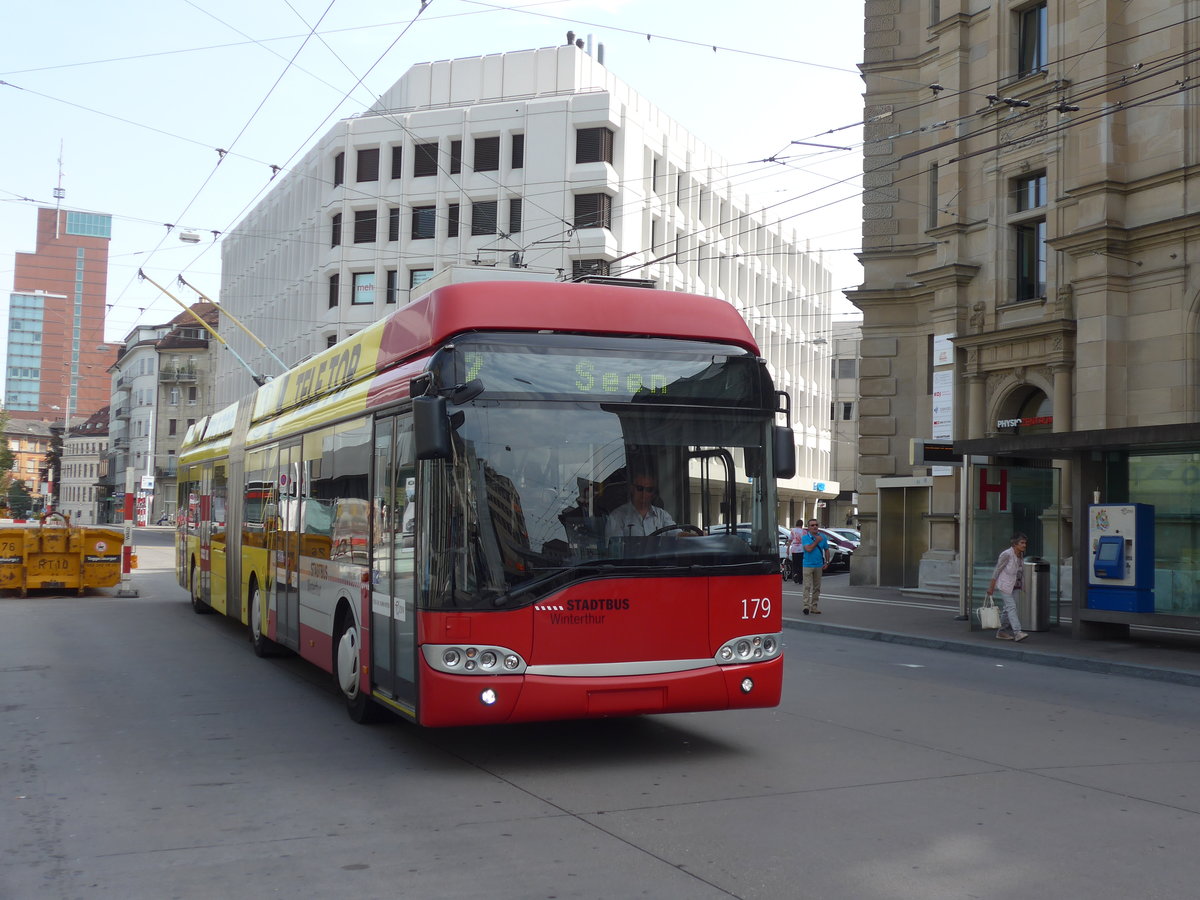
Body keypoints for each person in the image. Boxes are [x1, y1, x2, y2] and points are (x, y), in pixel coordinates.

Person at [605, 471, 676, 540]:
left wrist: (683, 536)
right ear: (632, 489)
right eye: (640, 488)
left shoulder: (662, 516)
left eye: (649, 489)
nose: (644, 493)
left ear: (653, 493)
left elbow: (676, 534)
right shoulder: (617, 517)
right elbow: (614, 548)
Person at [987, 532, 1029, 642]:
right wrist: (991, 587)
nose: (1024, 545)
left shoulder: (1020, 554)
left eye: (1025, 543)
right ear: (1015, 544)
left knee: (1007, 609)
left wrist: (1022, 585)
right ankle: (1017, 632)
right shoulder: (1006, 554)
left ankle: (1001, 632)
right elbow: (997, 571)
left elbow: (1019, 571)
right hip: (1004, 584)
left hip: (1014, 585)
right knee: (1011, 607)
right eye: (1022, 543)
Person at [799, 519, 831, 615]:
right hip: (807, 565)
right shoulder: (805, 538)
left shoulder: (823, 537)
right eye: (812, 525)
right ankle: (806, 606)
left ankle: (814, 606)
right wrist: (817, 541)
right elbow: (808, 549)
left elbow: (826, 550)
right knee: (807, 586)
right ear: (808, 527)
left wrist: (827, 562)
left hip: (818, 565)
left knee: (817, 587)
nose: (815, 527)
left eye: (816, 525)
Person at [786, 520, 806, 584]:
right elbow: (805, 541)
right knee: (801, 564)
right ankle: (800, 578)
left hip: (794, 549)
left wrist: (788, 548)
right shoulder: (804, 531)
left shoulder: (792, 530)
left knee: (795, 564)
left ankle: (795, 575)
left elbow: (790, 540)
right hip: (801, 549)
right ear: (802, 524)